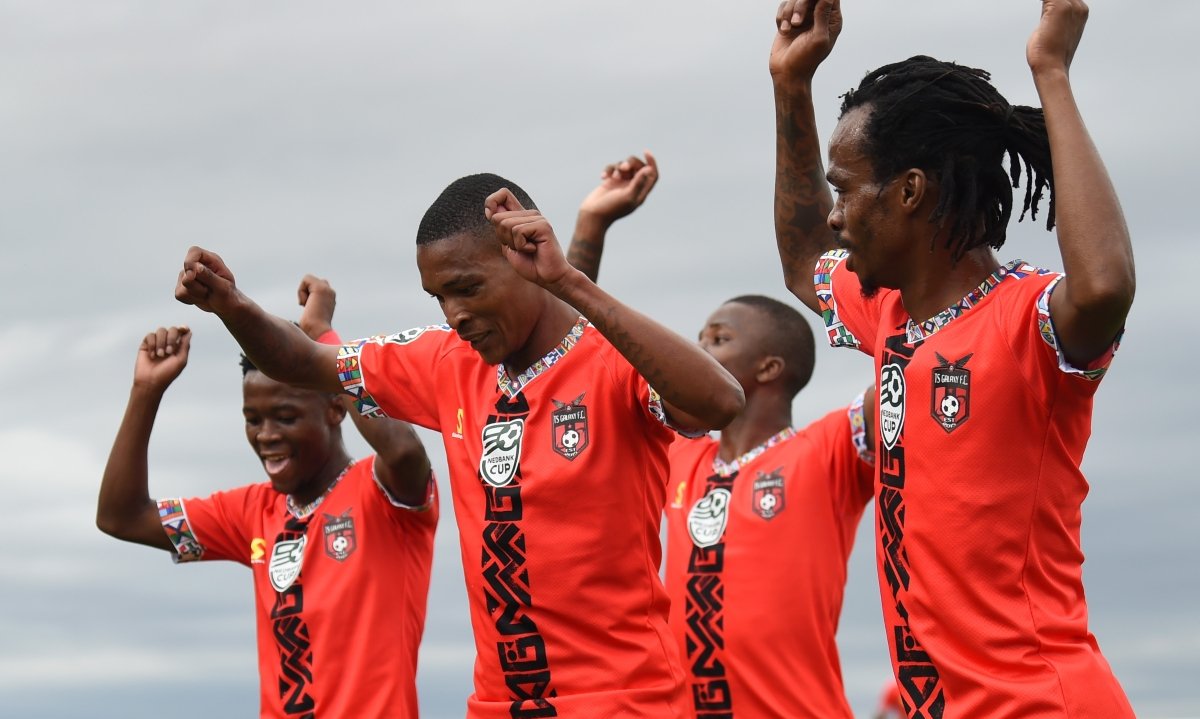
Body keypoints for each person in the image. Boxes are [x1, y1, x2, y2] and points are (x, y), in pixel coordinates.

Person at [172, 174, 745, 718]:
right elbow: (303, 362)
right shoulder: (446, 360)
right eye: (439, 297)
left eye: (467, 289)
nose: (455, 314)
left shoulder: (614, 358)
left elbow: (720, 402)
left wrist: (568, 280)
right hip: (496, 705)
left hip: (623, 700)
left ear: (525, 262)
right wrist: (231, 304)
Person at [770, 0, 1135, 716]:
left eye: (845, 189)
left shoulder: (1027, 319)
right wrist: (791, 85)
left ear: (909, 192)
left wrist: (1051, 72)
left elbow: (1104, 287)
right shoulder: (888, 313)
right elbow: (804, 259)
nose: (835, 215)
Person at [567, 152, 875, 718]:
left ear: (770, 367)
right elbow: (572, 357)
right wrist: (591, 225)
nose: (698, 349)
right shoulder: (678, 455)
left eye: (719, 339)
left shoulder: (827, 450)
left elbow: (911, 362)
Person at [97, 275, 438, 718]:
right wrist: (146, 391)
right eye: (253, 419)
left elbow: (405, 451)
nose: (266, 435)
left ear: (335, 408)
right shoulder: (251, 512)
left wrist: (321, 339)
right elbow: (122, 517)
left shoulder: (383, 494)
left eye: (285, 416)